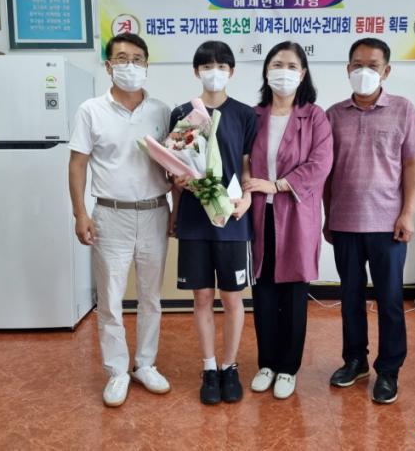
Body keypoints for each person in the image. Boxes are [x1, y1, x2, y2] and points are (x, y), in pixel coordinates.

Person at [324, 38, 415, 404]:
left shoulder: (403, 109)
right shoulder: (333, 115)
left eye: (372, 65)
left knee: (390, 300)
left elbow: (412, 165)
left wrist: (408, 213)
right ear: (347, 69)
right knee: (350, 298)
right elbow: (326, 174)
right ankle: (355, 361)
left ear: (386, 70)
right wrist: (328, 216)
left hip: (388, 225)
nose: (363, 71)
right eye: (357, 64)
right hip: (345, 223)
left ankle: (389, 370)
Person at [68, 33, 172, 407]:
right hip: (110, 215)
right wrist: (80, 213)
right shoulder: (91, 110)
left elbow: (176, 163)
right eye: (122, 58)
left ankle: (145, 364)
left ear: (147, 65)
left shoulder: (162, 111)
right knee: (111, 299)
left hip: (155, 212)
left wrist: (175, 208)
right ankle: (116, 371)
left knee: (151, 297)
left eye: (138, 59)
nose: (131, 65)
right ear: (108, 66)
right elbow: (77, 163)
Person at [243, 41, 333, 399]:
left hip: (296, 213)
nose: (284, 71)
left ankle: (288, 367)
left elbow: (320, 164)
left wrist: (278, 185)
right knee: (263, 289)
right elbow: (242, 158)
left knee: (294, 291)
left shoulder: (315, 116)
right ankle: (266, 363)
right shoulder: (253, 116)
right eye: (277, 64)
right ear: (266, 71)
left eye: (292, 66)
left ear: (303, 73)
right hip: (258, 212)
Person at [170, 41, 257, 405]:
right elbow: (175, 163)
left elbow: (248, 166)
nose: (214, 72)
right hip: (195, 219)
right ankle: (208, 367)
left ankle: (229, 366)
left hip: (232, 220)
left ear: (231, 72)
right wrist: (176, 202)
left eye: (221, 66)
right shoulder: (183, 112)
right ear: (196, 71)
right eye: (207, 66)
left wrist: (247, 200)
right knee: (202, 297)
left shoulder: (246, 114)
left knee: (233, 298)